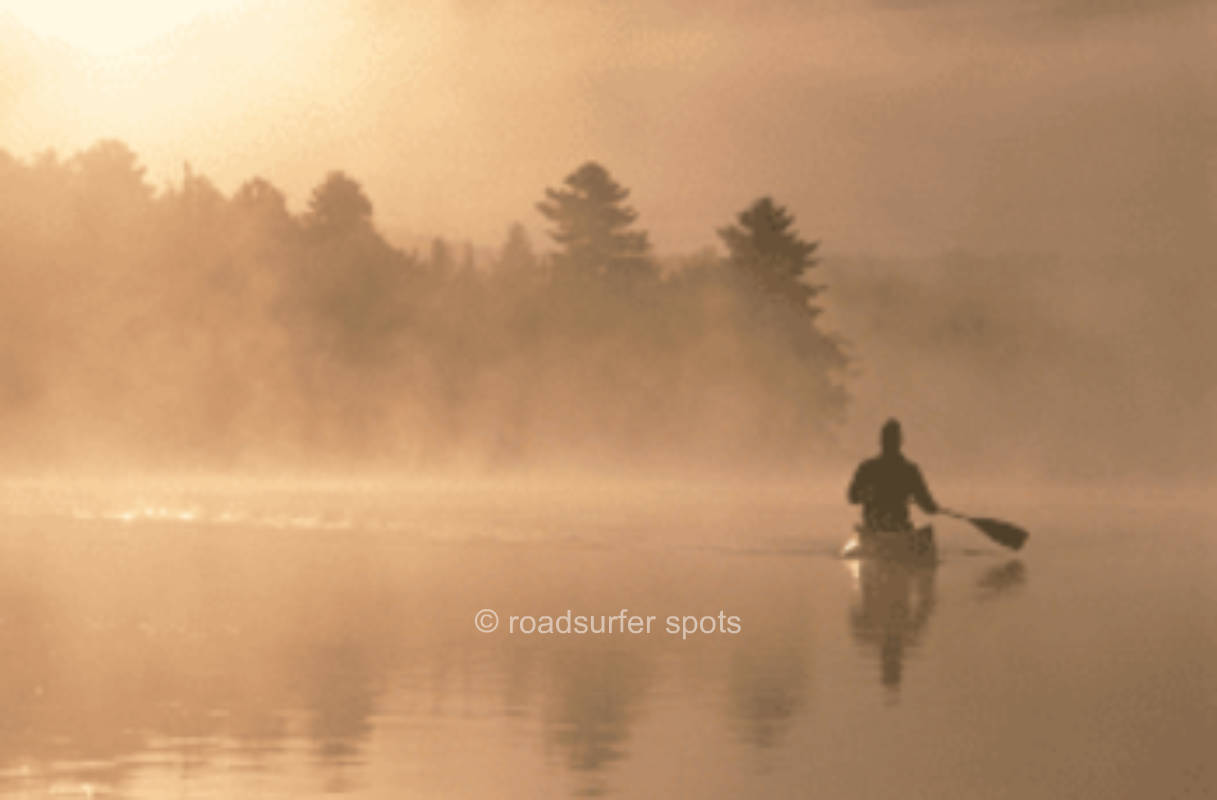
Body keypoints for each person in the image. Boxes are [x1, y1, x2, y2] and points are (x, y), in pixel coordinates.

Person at [848, 419, 938, 531]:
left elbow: (852, 497)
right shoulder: (909, 470)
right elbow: (928, 507)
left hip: (875, 527)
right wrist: (933, 508)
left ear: (881, 442)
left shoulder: (867, 468)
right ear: (900, 442)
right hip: (895, 527)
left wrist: (868, 495)